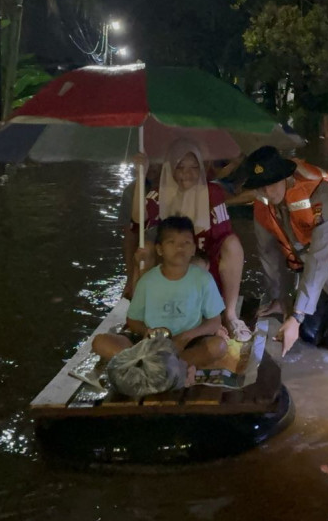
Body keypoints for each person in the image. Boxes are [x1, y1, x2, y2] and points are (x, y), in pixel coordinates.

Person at [244, 146, 328, 356]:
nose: (266, 193)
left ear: (285, 177)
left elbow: (320, 255)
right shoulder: (263, 206)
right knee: (309, 339)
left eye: (270, 184)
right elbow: (269, 256)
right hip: (316, 277)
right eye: (260, 187)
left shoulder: (322, 192)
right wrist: (280, 299)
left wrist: (297, 315)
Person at [131, 139, 251, 341]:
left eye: (194, 168)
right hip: (170, 263)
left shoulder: (213, 193)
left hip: (204, 265)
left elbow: (223, 235)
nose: (187, 174)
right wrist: (140, 176)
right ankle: (143, 317)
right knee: (146, 249)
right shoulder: (159, 193)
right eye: (181, 167)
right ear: (171, 168)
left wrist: (198, 256)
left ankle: (229, 315)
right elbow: (138, 219)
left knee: (232, 244)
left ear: (202, 168)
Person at [92, 216, 228, 377]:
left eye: (186, 243)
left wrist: (186, 337)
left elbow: (214, 321)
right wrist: (147, 332)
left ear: (193, 249)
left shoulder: (203, 279)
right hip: (149, 344)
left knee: (218, 346)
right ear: (159, 249)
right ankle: (167, 368)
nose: (180, 248)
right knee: (100, 342)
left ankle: (153, 367)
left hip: (187, 344)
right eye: (172, 243)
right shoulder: (148, 281)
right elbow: (133, 320)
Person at [120, 163, 161, 299]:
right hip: (149, 247)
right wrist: (130, 277)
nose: (151, 167)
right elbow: (130, 237)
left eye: (156, 162)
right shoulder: (131, 192)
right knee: (144, 251)